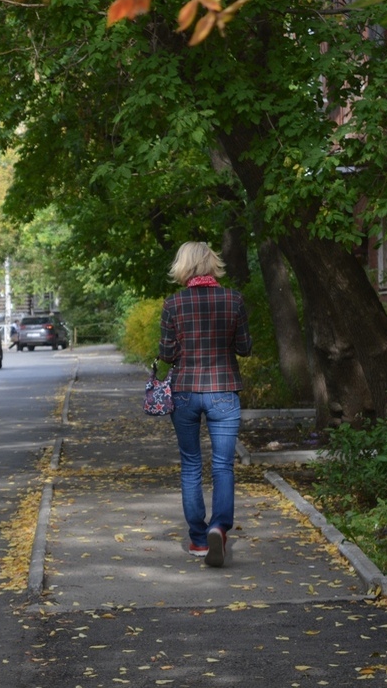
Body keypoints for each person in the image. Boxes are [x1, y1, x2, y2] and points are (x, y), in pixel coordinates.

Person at [157, 242, 252, 568]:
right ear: (213, 264)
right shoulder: (234, 299)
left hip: (184, 392)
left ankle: (198, 539)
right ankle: (218, 528)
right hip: (223, 390)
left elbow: (167, 355)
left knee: (191, 465)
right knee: (224, 465)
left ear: (183, 266)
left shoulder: (173, 304)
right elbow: (244, 347)